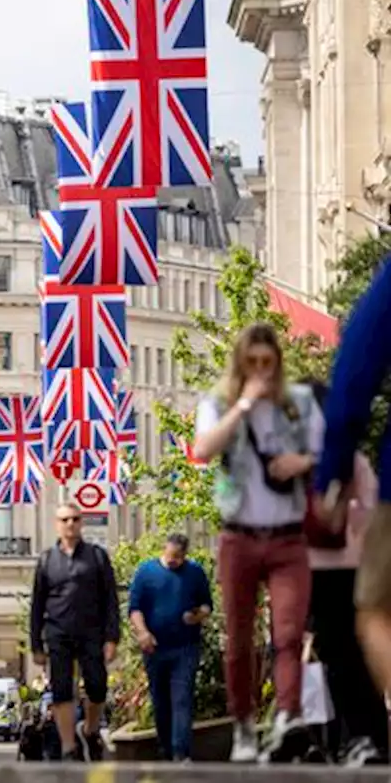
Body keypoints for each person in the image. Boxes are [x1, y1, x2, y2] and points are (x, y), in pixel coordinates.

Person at [193, 322, 321, 763]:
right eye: (253, 364)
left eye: (269, 364)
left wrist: (301, 460)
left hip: (287, 539)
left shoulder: (298, 405)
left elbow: (326, 454)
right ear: (240, 364)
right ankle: (244, 725)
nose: (262, 372)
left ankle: (287, 716)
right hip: (239, 538)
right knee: (239, 637)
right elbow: (203, 449)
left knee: (288, 633)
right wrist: (243, 406)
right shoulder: (219, 402)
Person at [306, 379, 388, 765]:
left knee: (345, 655)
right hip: (333, 567)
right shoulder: (332, 457)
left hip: (339, 567)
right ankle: (364, 737)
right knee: (344, 656)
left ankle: (368, 737)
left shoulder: (339, 458)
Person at [29, 502, 119, 762]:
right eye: (65, 519)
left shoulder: (96, 556)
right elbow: (37, 604)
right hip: (58, 632)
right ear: (57, 525)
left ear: (81, 523)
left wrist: (112, 637)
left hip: (92, 631)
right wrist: (36, 644)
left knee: (97, 686)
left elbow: (110, 599)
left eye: (75, 519)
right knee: (61, 690)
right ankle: (69, 747)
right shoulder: (47, 560)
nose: (70, 524)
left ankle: (90, 731)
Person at [126, 533, 213, 762]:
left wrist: (196, 616)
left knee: (182, 698)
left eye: (180, 557)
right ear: (164, 549)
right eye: (172, 556)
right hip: (154, 649)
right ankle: (165, 748)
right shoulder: (146, 573)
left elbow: (206, 605)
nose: (175, 561)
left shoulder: (195, 572)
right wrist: (143, 633)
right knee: (161, 701)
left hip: (185, 647)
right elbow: (134, 609)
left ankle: (180, 752)